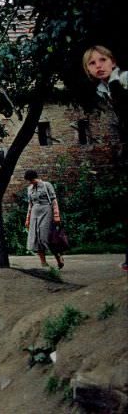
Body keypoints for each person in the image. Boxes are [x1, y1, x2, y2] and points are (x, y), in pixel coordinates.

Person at [82, 45, 128, 271]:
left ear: (113, 62)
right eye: (92, 63)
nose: (98, 66)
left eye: (102, 60)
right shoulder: (104, 89)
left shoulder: (125, 80)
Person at [23, 169, 64, 269]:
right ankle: (43, 263)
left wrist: (56, 215)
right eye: (29, 181)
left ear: (35, 178)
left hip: (46, 211)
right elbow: (30, 204)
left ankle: (58, 258)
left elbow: (54, 200)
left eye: (31, 180)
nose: (30, 182)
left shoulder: (47, 185)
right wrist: (27, 218)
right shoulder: (30, 188)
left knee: (45, 237)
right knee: (35, 238)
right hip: (34, 213)